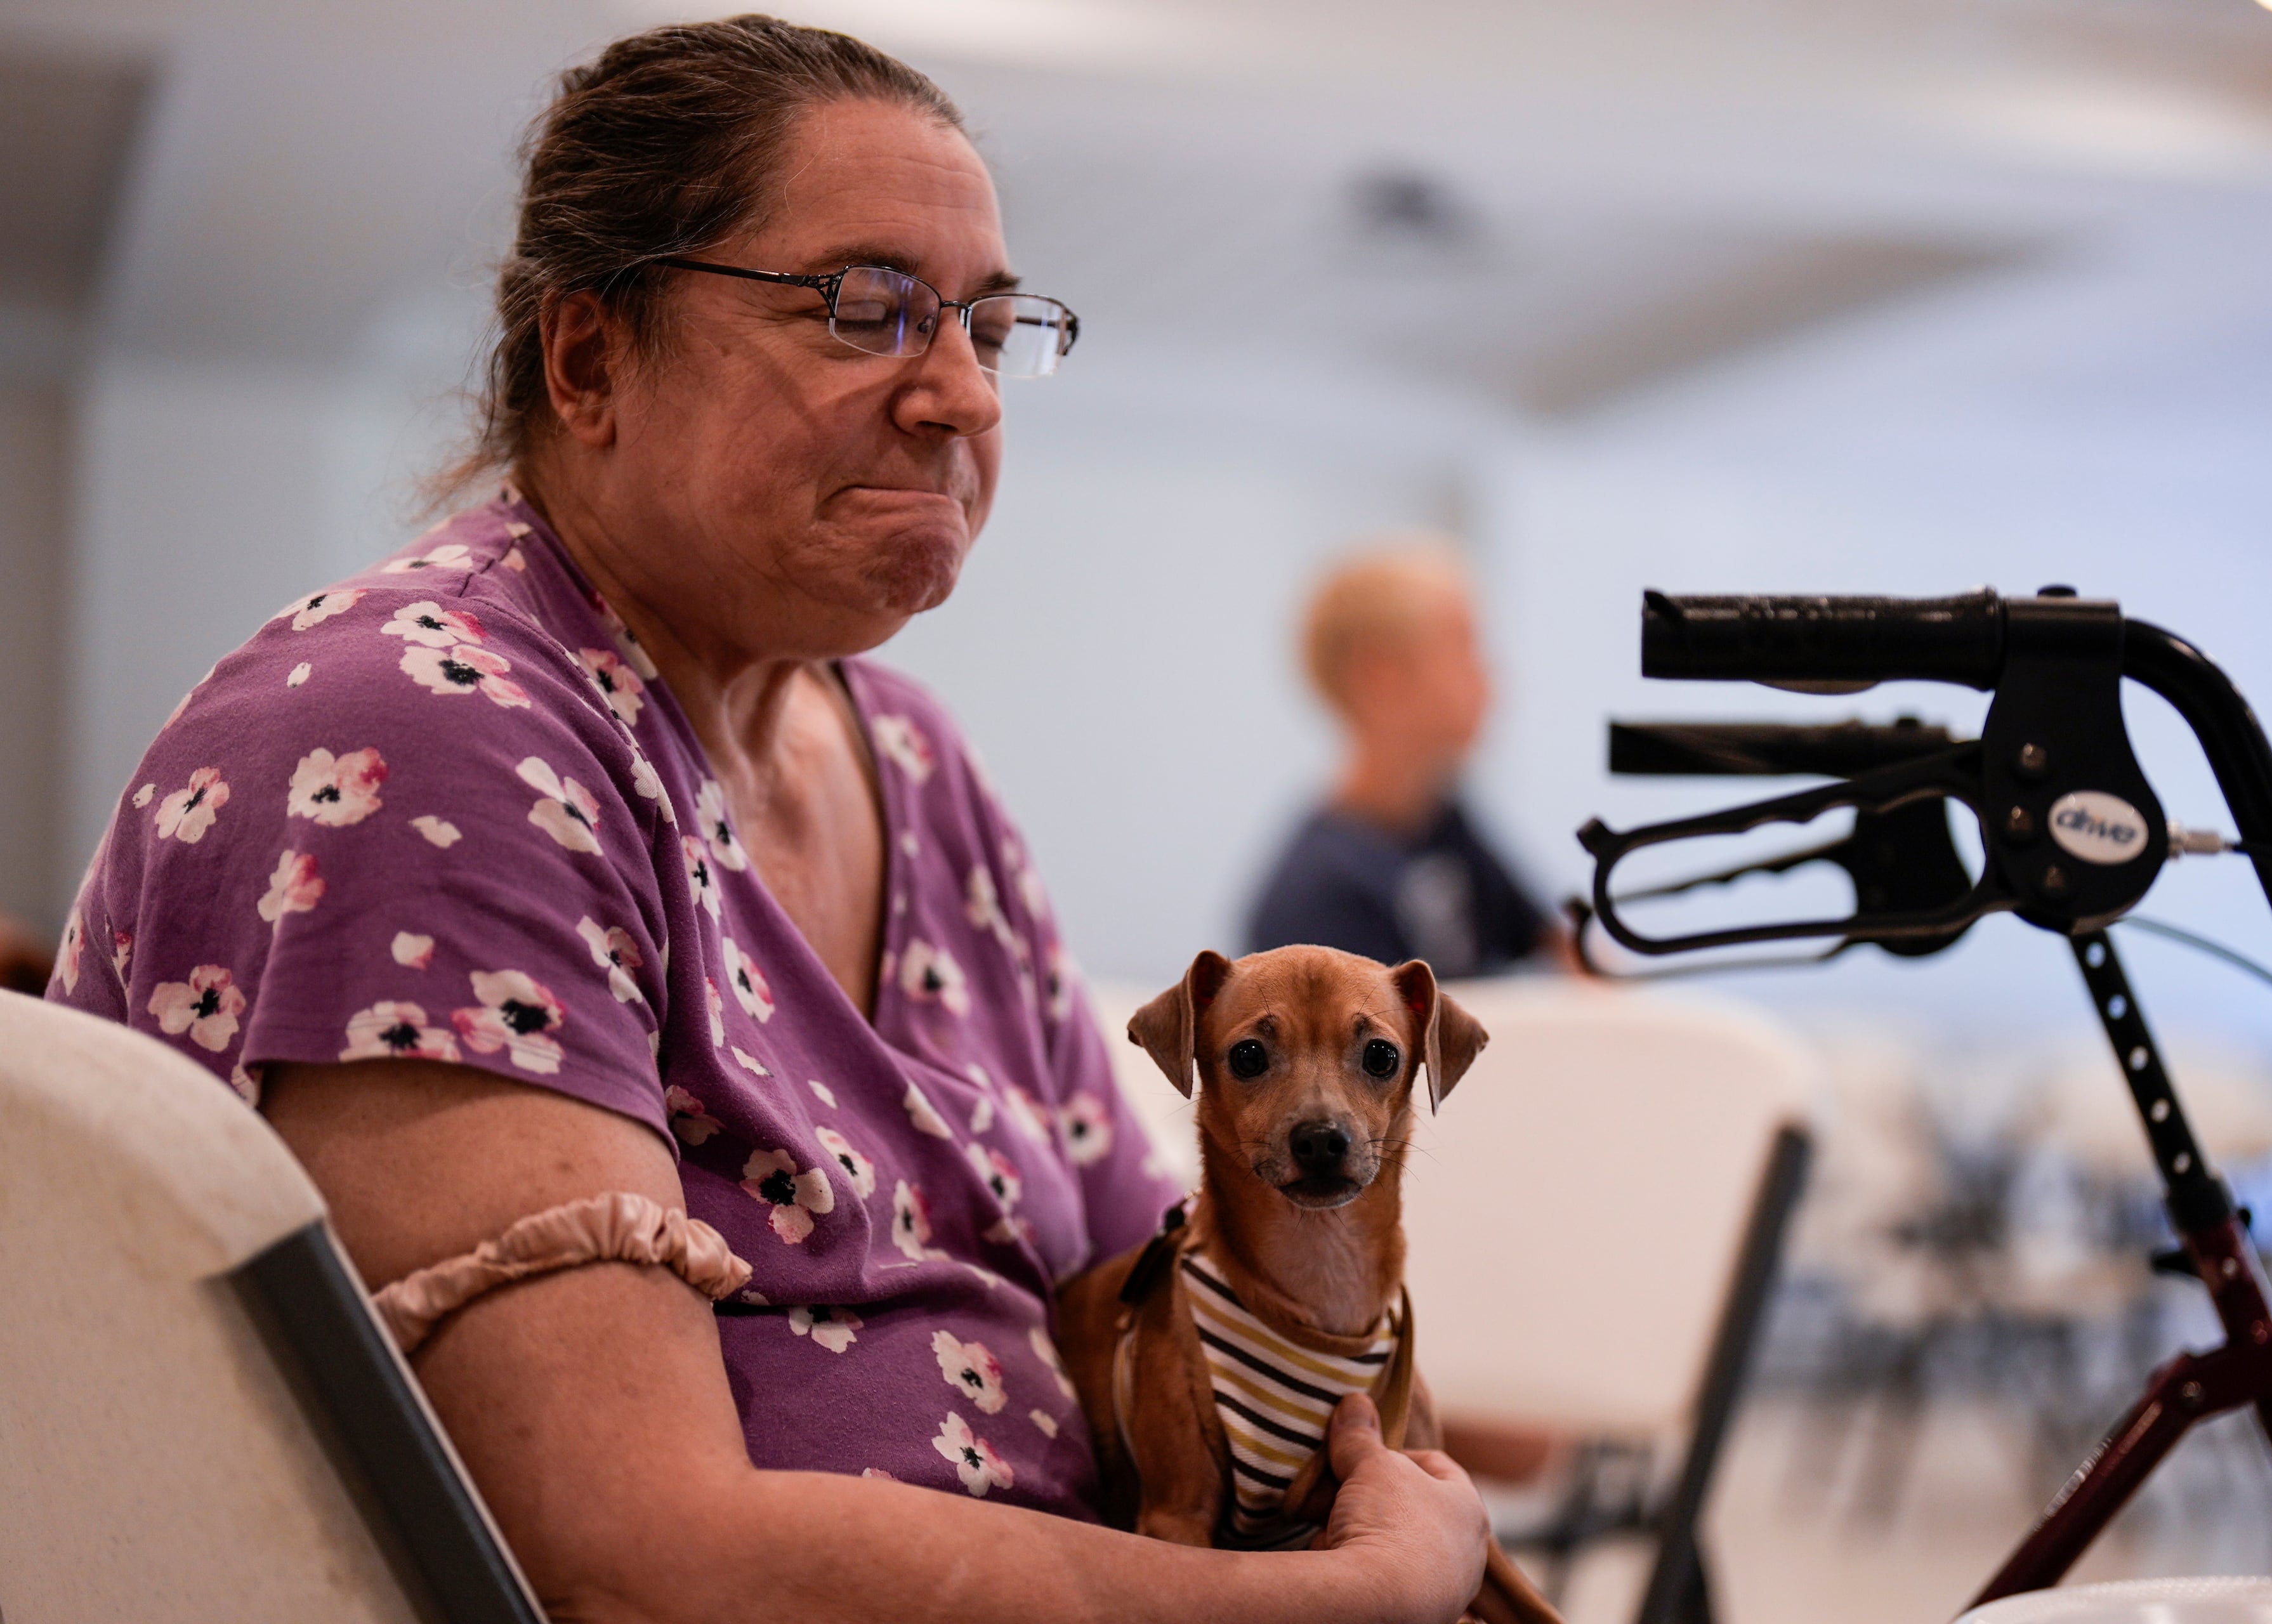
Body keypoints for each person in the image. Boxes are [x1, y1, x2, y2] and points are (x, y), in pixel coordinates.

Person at [48, 20, 1489, 1621]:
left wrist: (1372, 1451)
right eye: (866, 310)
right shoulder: (421, 735)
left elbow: (1137, 1286)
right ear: (589, 361)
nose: (956, 395)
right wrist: (1343, 1598)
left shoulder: (915, 765)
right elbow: (626, 1563)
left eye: (992, 330)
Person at [1247, 544, 1554, 976]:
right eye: (1463, 648)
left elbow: (1564, 949)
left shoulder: (1446, 824)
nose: (1488, 678)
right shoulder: (1318, 894)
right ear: (1381, 675)